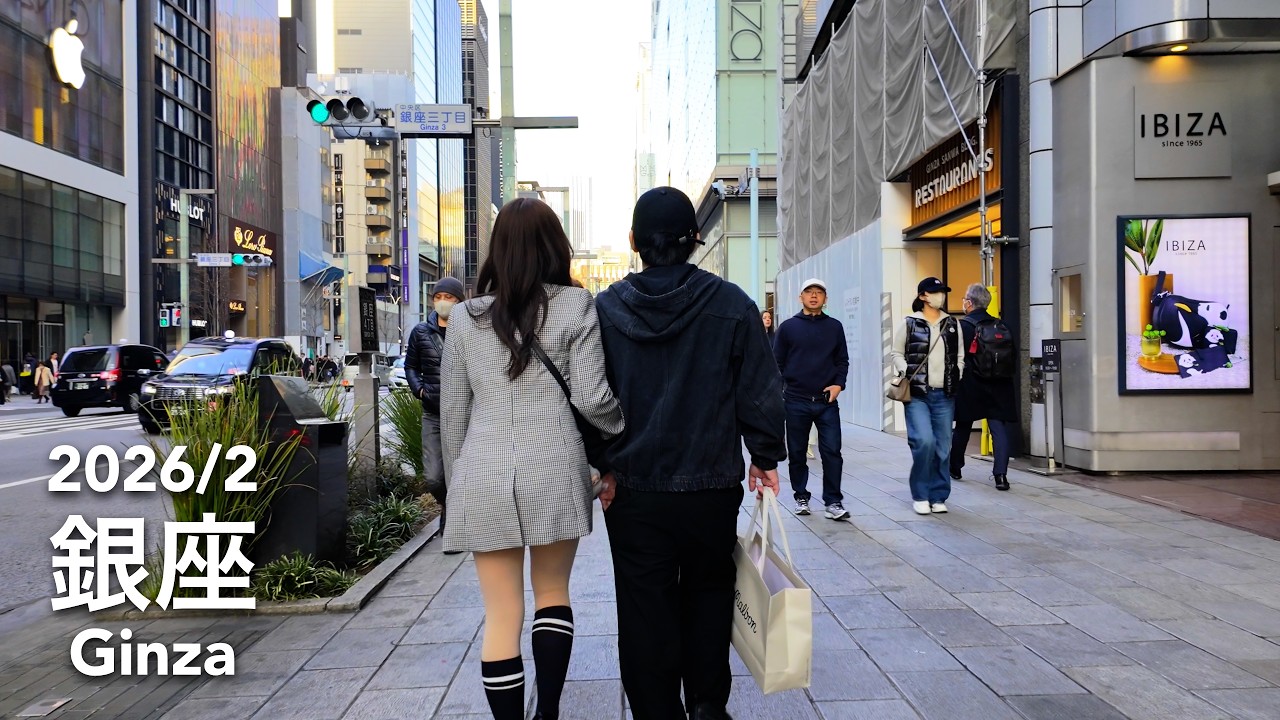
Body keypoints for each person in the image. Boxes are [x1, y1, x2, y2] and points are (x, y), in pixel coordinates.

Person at [595, 186, 786, 720]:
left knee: (643, 604)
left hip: (632, 487)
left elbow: (589, 395)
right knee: (709, 592)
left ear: (633, 241)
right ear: (696, 238)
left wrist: (601, 464)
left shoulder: (606, 309)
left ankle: (656, 710)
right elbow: (760, 390)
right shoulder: (731, 304)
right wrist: (764, 457)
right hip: (711, 484)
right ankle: (705, 703)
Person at [440, 198, 624, 720]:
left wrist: (458, 488)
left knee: (501, 614)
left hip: (482, 471)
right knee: (552, 592)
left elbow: (453, 414)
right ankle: (549, 713)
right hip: (556, 467)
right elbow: (592, 397)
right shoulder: (576, 305)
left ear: (497, 248)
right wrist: (620, 431)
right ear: (554, 247)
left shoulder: (465, 317)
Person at [773, 278, 851, 520]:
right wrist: (782, 391)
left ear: (825, 298)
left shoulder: (835, 327)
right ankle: (801, 496)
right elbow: (776, 362)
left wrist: (839, 384)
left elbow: (842, 360)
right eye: (809, 292)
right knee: (797, 452)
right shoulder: (788, 327)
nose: (814, 296)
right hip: (796, 400)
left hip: (827, 401)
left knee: (832, 452)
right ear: (801, 297)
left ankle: (833, 501)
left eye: (819, 292)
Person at [889, 277, 965, 515]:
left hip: (945, 394)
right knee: (924, 442)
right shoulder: (910, 323)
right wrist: (906, 371)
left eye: (942, 291)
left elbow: (960, 355)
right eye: (935, 292)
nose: (940, 295)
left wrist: (958, 372)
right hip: (917, 394)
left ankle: (938, 495)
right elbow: (896, 352)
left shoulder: (952, 323)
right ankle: (921, 494)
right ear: (923, 296)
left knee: (943, 447)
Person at [406, 276, 466, 535]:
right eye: (438, 297)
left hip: (463, 414)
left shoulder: (469, 330)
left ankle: (455, 518)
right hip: (433, 413)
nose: (443, 302)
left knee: (459, 471)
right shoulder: (421, 332)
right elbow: (410, 366)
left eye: (449, 297)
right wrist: (419, 389)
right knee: (433, 476)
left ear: (460, 301)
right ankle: (446, 505)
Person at [951, 284, 1017, 491]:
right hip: (999, 384)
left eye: (964, 299)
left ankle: (955, 467)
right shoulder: (1002, 326)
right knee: (998, 428)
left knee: (963, 425)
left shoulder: (963, 327)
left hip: (971, 383)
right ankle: (1001, 476)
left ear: (969, 303)